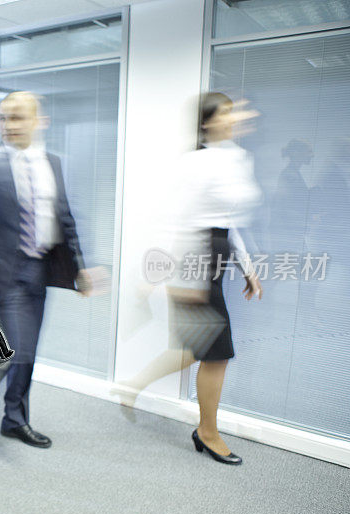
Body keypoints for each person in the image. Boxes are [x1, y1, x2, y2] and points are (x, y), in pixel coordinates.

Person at [113, 92, 263, 465]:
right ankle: (207, 432)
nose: (236, 117)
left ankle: (133, 385)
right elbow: (173, 221)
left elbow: (228, 223)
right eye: (228, 112)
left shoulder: (238, 159)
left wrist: (247, 267)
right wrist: (157, 272)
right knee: (217, 353)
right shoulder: (197, 163)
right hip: (194, 260)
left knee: (192, 350)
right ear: (207, 121)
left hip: (217, 256)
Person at [0, 91, 90, 448]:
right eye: (3, 118)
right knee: (20, 349)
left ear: (38, 121)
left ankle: (13, 419)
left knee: (27, 351)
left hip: (40, 271)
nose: (9, 125)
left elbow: (65, 218)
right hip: (4, 272)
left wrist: (80, 268)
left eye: (17, 117)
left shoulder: (53, 163)